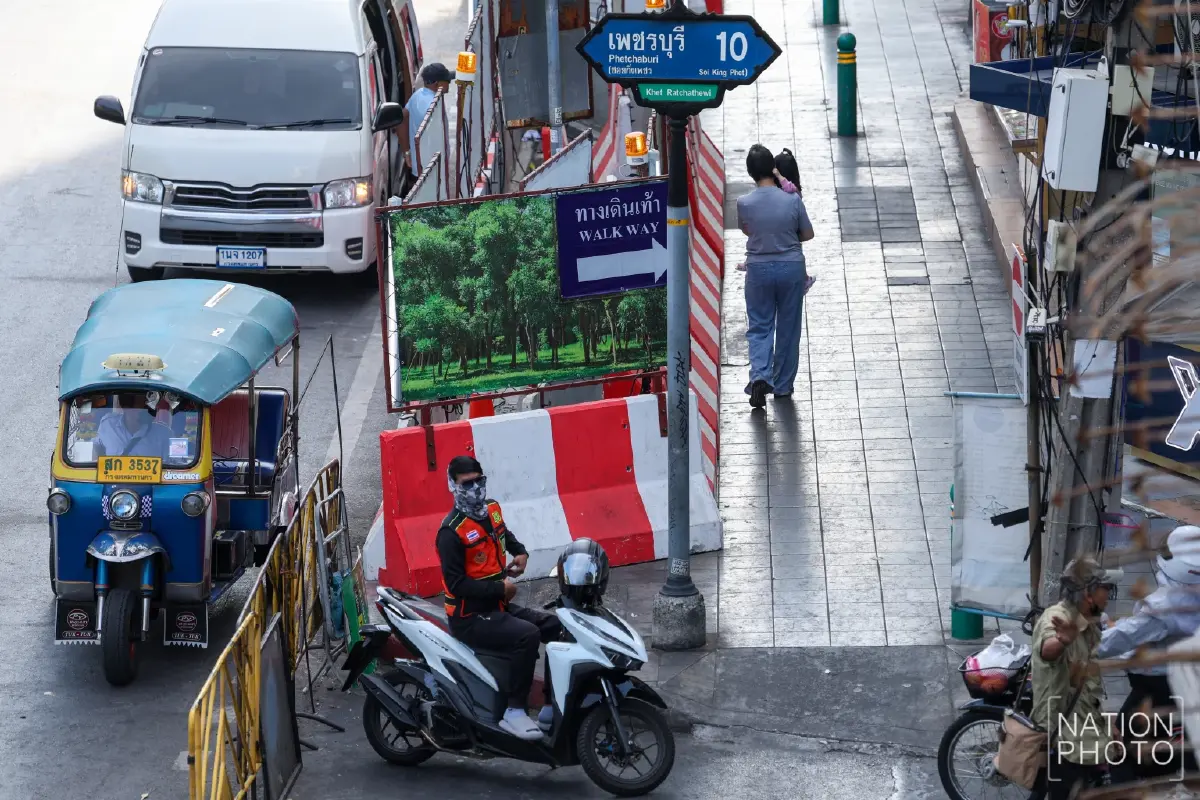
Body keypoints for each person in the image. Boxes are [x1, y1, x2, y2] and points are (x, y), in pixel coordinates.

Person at [436, 455, 562, 740]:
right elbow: (456, 584)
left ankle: (549, 707)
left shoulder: (491, 509)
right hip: (469, 617)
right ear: (453, 486)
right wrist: (499, 589)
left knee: (557, 627)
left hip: (497, 606)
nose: (475, 489)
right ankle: (514, 711)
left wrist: (520, 552)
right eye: (467, 484)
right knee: (527, 635)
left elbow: (503, 534)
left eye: (479, 481)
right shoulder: (450, 532)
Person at [1096, 525, 1200, 781]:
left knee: (1121, 750)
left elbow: (1119, 640)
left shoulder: (1165, 606)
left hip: (1155, 692)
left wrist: (1079, 641)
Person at [1031, 557, 1118, 798]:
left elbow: (1090, 685)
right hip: (1064, 734)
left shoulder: (1088, 624)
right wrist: (1061, 641)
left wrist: (1106, 723)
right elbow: (1047, 650)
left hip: (1084, 725)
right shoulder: (1056, 618)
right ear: (1088, 594)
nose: (1108, 595)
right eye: (1105, 588)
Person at [736, 143, 815, 408]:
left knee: (760, 325)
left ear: (750, 172)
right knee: (788, 328)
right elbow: (808, 234)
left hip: (758, 269)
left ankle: (760, 375)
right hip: (791, 267)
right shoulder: (792, 200)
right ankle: (782, 386)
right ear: (773, 168)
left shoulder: (744, 203)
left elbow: (747, 231)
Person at [404, 63, 453, 181]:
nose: (449, 83)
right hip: (431, 171)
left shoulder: (417, 95)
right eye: (447, 81)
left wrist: (407, 151)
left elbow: (401, 117)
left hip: (420, 166)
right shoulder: (433, 106)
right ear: (437, 84)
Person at [96, 394, 172, 458]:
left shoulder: (163, 434)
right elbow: (96, 447)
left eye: (148, 408)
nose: (146, 412)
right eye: (141, 408)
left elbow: (173, 464)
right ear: (126, 408)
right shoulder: (108, 425)